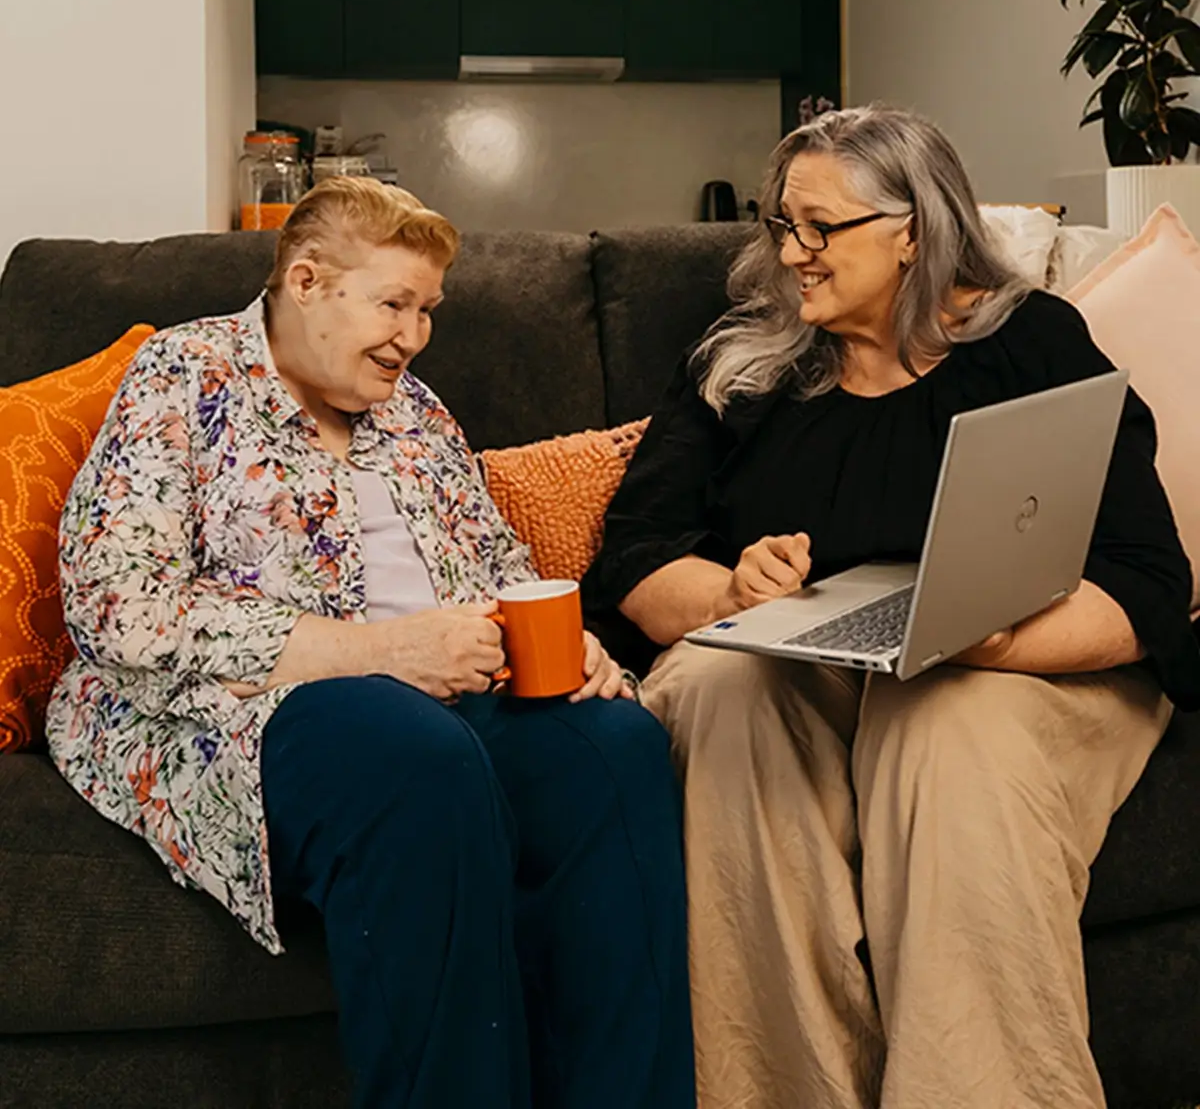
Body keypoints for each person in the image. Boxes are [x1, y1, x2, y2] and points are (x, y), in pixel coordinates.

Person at [582, 106, 1200, 1109]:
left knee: (947, 728)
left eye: (822, 229)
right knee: (716, 689)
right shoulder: (742, 363)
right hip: (804, 658)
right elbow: (636, 562)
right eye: (784, 225)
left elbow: (1147, 581)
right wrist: (732, 590)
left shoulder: (1031, 342)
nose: (794, 255)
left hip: (1023, 659)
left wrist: (992, 637)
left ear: (914, 230)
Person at [47, 177, 695, 1109]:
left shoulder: (417, 414)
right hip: (258, 706)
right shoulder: (184, 376)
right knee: (415, 757)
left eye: (428, 310)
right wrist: (384, 652)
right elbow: (117, 605)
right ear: (306, 282)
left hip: (446, 693)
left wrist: (572, 644)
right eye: (394, 304)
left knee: (616, 747)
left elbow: (497, 559)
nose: (415, 335)